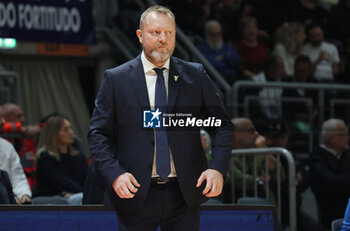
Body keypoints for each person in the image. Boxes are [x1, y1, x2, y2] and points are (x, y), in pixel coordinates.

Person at [88, 5, 233, 231]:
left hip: (184, 193)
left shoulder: (195, 75)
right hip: (135, 193)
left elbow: (222, 125)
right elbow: (98, 134)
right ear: (140, 35)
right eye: (156, 32)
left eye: (169, 33)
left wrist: (217, 168)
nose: (163, 39)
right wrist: (115, 174)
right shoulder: (116, 79)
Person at [36, 115, 87, 205]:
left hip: (76, 194)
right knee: (83, 198)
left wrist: (82, 191)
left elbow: (86, 179)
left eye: (70, 128)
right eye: (65, 129)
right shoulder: (45, 157)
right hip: (52, 197)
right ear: (54, 134)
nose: (71, 132)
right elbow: (61, 182)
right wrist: (82, 192)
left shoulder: (78, 155)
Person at [309, 118, 350, 230]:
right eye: (344, 134)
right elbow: (332, 183)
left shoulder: (346, 155)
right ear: (332, 138)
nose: (348, 137)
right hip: (330, 213)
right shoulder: (317, 157)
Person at [230, 118, 280, 204]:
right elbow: (237, 179)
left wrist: (265, 151)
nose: (256, 134)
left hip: (264, 207)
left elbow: (279, 175)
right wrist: (259, 180)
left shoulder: (258, 153)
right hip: (235, 207)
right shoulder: (223, 154)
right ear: (237, 134)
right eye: (251, 130)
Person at [0, 106, 32, 204]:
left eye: (3, 117)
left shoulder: (7, 147)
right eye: (0, 117)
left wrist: (24, 195)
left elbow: (18, 177)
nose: (3, 122)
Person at [197, 19, 241, 85]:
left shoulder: (226, 46)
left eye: (219, 34)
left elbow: (236, 59)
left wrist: (221, 58)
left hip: (230, 80)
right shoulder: (201, 48)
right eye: (213, 34)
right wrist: (226, 56)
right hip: (212, 81)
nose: (217, 37)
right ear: (206, 34)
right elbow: (210, 65)